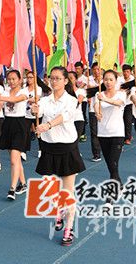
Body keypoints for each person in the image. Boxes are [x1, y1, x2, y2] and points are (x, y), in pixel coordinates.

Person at [31, 66, 85, 246]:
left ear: (65, 81)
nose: (54, 81)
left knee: (67, 191)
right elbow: (37, 113)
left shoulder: (71, 100)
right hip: (48, 148)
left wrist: (47, 125)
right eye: (51, 78)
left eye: (58, 78)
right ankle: (59, 210)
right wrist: (34, 110)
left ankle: (69, 229)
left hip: (67, 147)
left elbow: (64, 116)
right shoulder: (44, 100)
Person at [0, 70, 29, 200]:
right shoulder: (5, 92)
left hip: (20, 125)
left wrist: (0, 98)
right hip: (8, 125)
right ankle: (23, 183)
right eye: (9, 79)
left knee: (14, 160)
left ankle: (12, 189)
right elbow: (0, 102)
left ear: (20, 80)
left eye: (14, 79)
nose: (11, 81)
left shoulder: (24, 92)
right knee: (16, 159)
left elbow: (14, 100)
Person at [95, 70, 126, 183]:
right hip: (103, 132)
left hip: (117, 132)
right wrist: (97, 113)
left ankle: (115, 187)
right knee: (109, 162)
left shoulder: (121, 94)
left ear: (116, 81)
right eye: (106, 79)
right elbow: (96, 105)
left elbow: (118, 103)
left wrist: (104, 99)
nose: (108, 82)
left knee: (113, 161)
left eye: (111, 79)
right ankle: (117, 182)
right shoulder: (99, 94)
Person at [87, 62, 102, 161]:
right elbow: (87, 92)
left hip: (105, 110)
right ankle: (96, 153)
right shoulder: (89, 80)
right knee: (94, 133)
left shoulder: (106, 81)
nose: (97, 71)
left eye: (98, 69)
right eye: (95, 69)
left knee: (104, 131)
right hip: (93, 110)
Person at [120, 64, 135, 145]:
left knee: (128, 121)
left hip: (129, 103)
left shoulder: (133, 80)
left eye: (127, 71)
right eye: (124, 71)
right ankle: (122, 136)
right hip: (120, 103)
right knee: (121, 120)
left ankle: (128, 138)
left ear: (130, 72)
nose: (126, 73)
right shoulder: (119, 80)